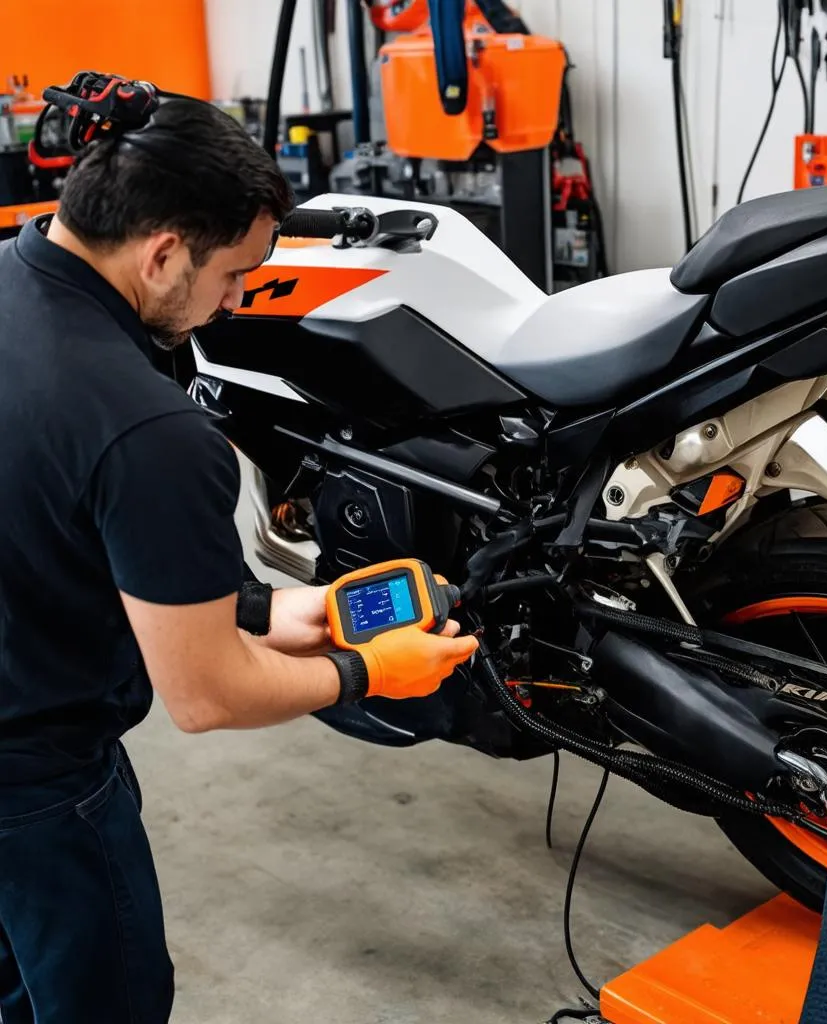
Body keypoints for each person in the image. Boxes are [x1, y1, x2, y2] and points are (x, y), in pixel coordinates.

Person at [0, 92, 478, 1023]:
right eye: (235, 275)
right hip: (37, 788)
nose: (237, 302)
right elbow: (206, 696)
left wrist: (259, 609)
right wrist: (366, 669)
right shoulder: (149, 430)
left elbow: (49, 521)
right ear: (165, 250)